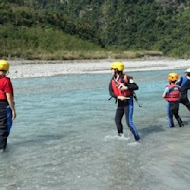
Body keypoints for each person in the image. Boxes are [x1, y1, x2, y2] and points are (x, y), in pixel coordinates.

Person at [109, 61, 140, 141]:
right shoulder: (112, 80)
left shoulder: (127, 78)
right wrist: (118, 96)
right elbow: (111, 92)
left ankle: (138, 140)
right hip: (120, 102)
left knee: (129, 122)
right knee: (117, 120)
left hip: (128, 102)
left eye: (112, 69)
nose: (111, 70)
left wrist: (126, 88)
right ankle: (121, 136)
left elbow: (136, 86)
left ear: (117, 70)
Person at [0, 60, 16, 152]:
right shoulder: (5, 80)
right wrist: (13, 110)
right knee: (4, 127)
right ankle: (2, 149)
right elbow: (9, 96)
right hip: (3, 105)